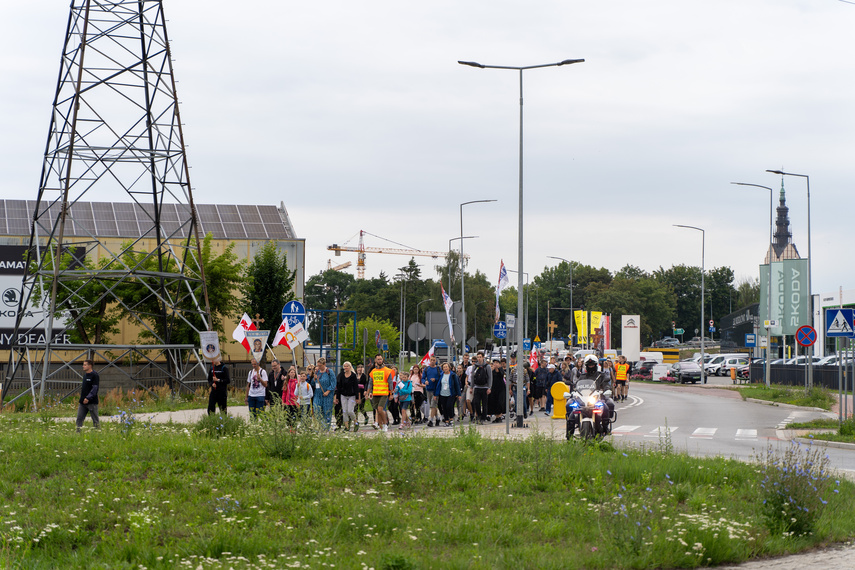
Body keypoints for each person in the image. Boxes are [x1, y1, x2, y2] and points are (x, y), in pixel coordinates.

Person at [366, 354, 395, 433]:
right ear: (375, 360)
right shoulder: (373, 371)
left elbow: (390, 383)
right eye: (378, 359)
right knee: (378, 411)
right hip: (375, 393)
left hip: (384, 393)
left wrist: (391, 394)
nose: (380, 361)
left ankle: (385, 424)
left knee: (380, 409)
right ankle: (380, 426)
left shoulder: (387, 370)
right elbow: (370, 383)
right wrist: (367, 393)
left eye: (381, 359)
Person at [335, 361, 361, 432]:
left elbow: (356, 387)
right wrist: (337, 397)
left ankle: (356, 422)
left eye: (347, 366)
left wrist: (357, 397)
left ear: (350, 367)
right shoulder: (341, 375)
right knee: (344, 411)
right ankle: (346, 427)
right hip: (343, 395)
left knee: (350, 411)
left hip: (351, 396)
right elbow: (339, 387)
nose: (346, 367)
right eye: (344, 366)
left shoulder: (353, 376)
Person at [76, 359, 101, 432]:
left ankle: (97, 433)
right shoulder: (85, 376)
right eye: (83, 364)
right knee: (79, 418)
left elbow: (95, 388)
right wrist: (83, 399)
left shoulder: (94, 375)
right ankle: (78, 433)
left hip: (91, 402)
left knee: (95, 420)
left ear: (90, 366)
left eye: (85, 365)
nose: (83, 366)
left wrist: (88, 398)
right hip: (82, 402)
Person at [312, 358, 336, 429]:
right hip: (318, 394)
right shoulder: (317, 372)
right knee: (317, 410)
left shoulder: (329, 371)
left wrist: (328, 391)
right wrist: (314, 379)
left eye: (320, 366)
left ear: (324, 364)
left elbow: (333, 383)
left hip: (327, 395)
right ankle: (318, 425)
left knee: (326, 411)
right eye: (318, 365)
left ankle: (326, 427)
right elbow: (313, 384)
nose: (319, 367)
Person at [435, 362, 461, 426]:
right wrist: (436, 394)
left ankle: (451, 419)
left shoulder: (453, 375)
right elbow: (438, 385)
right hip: (442, 393)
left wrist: (459, 394)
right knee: (444, 407)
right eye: (444, 367)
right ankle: (446, 420)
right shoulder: (441, 375)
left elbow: (457, 385)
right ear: (442, 369)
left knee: (449, 406)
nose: (445, 368)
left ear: (449, 368)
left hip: (451, 394)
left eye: (446, 367)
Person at [470, 351, 493, 424]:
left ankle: (483, 418)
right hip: (477, 387)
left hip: (485, 387)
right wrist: (471, 387)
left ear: (483, 357)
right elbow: (472, 377)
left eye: (480, 357)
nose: (479, 358)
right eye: (478, 357)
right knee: (476, 403)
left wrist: (489, 387)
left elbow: (490, 377)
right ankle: (479, 416)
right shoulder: (475, 366)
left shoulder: (487, 366)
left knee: (484, 404)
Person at [422, 355, 442, 427]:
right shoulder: (426, 369)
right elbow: (423, 378)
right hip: (428, 389)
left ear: (435, 361)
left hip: (436, 389)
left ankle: (431, 420)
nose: (432, 361)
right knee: (432, 406)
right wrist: (425, 382)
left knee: (433, 405)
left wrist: (435, 379)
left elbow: (441, 377)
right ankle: (437, 418)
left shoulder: (438, 368)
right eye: (431, 360)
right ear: (429, 361)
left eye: (434, 360)